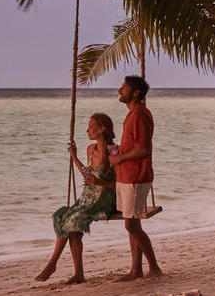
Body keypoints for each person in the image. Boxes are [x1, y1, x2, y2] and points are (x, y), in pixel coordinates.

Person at [35, 113, 117, 284]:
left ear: (103, 129)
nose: (87, 129)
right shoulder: (90, 149)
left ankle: (52, 264)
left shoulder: (114, 151)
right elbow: (87, 175)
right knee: (61, 215)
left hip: (104, 199)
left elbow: (117, 183)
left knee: (73, 220)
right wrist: (74, 156)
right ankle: (78, 274)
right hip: (87, 198)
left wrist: (100, 181)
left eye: (91, 126)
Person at [110, 74, 162, 280]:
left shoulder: (139, 114)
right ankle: (136, 269)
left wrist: (120, 158)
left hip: (136, 176)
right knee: (133, 224)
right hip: (127, 176)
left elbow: (143, 149)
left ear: (136, 92)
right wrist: (118, 152)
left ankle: (154, 267)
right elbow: (135, 146)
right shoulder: (133, 114)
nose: (119, 90)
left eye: (124, 87)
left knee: (131, 225)